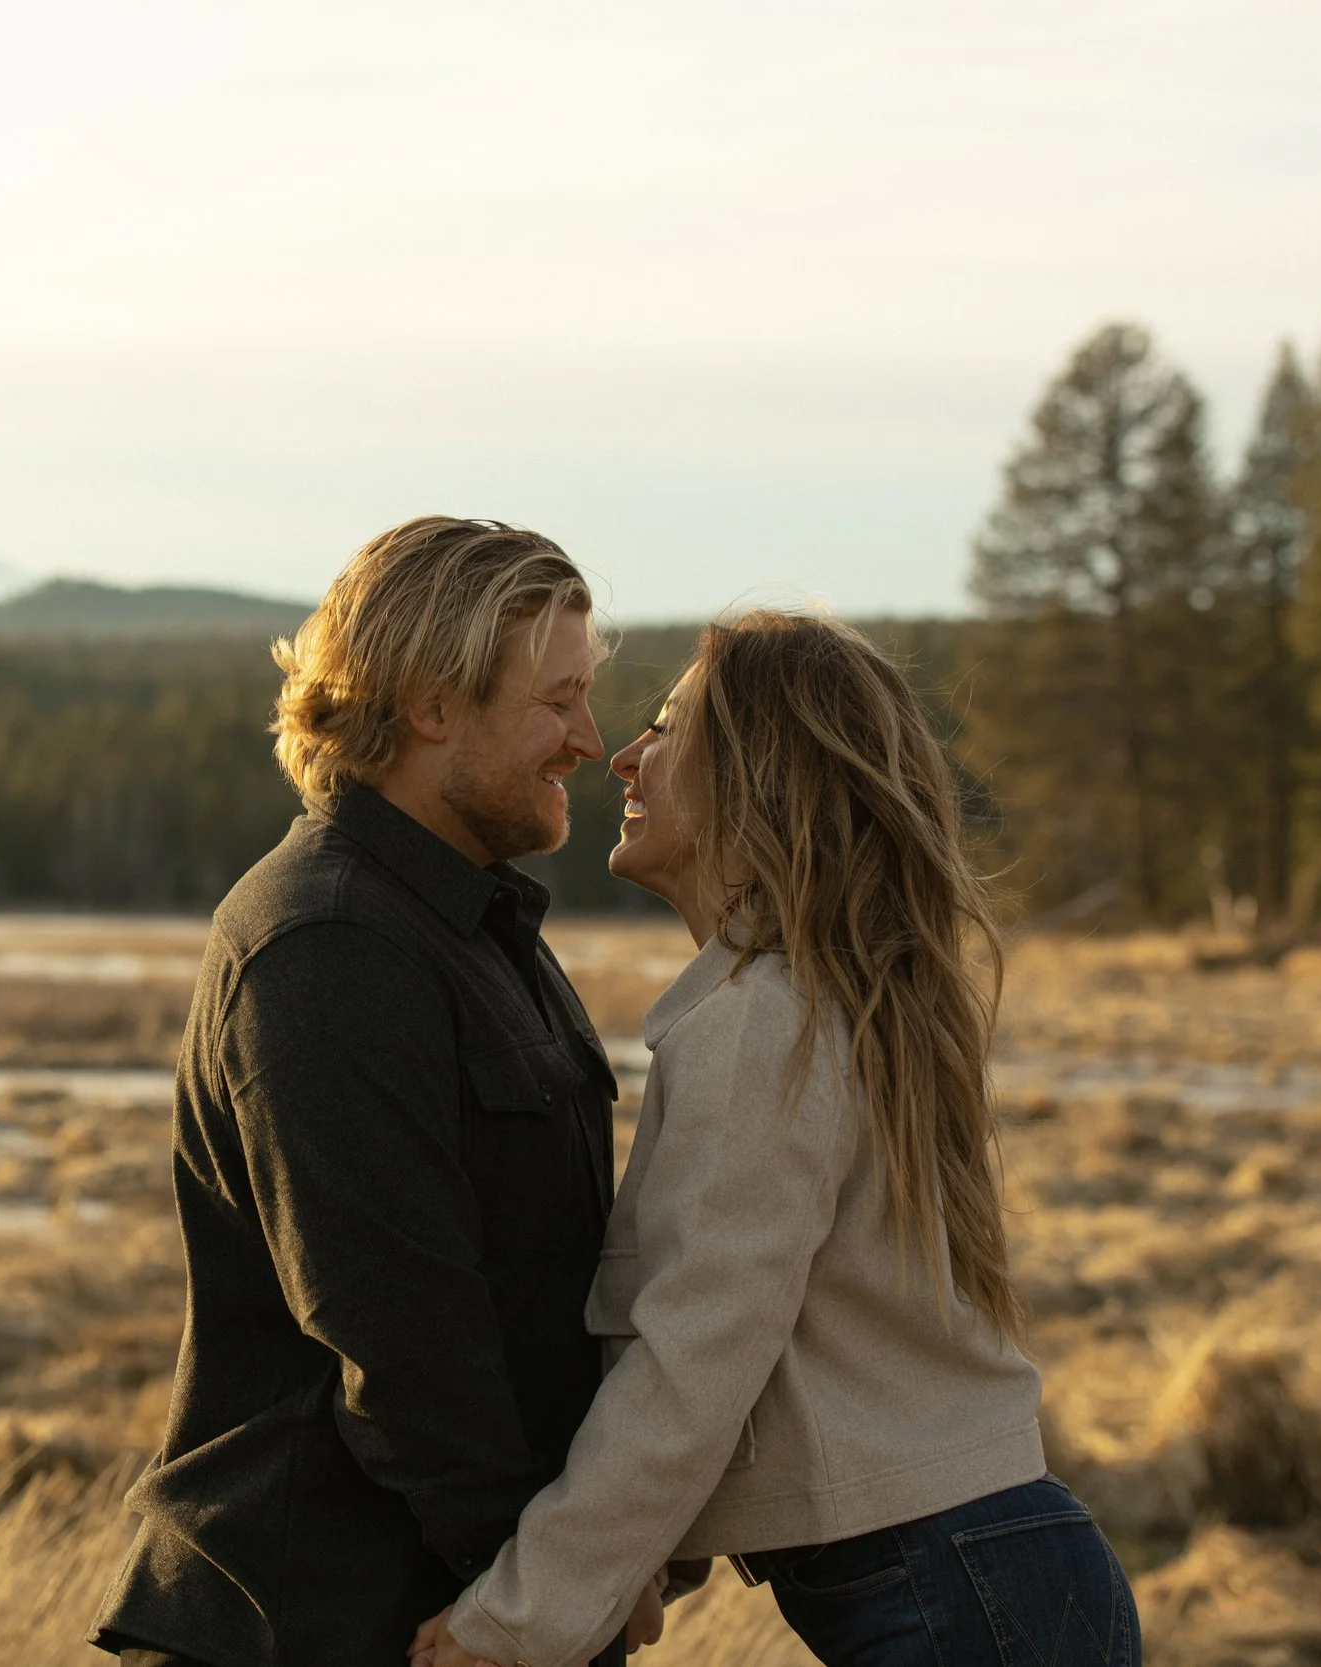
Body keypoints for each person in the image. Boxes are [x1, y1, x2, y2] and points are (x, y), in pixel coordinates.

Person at [413, 610, 1140, 1667]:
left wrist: (522, 1620)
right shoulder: (813, 999)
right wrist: (632, 1561)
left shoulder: (767, 1022)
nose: (624, 752)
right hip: (987, 1578)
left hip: (958, 1596)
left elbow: (696, 1356)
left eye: (666, 728)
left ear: (754, 776)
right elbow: (768, 1351)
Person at [89, 517, 657, 1667]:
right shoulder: (328, 941)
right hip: (316, 1622)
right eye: (557, 700)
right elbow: (398, 1332)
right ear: (430, 703)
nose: (587, 741)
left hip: (435, 1609)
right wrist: (535, 1598)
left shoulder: (475, 927)